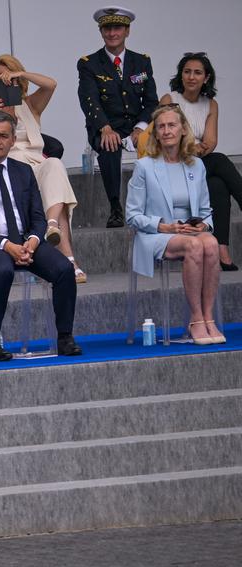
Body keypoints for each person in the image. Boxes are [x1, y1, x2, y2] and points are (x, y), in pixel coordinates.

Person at [0, 110, 81, 362]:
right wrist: (6, 245)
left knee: (64, 269)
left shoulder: (24, 171)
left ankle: (65, 337)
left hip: (26, 242)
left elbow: (37, 216)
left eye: (3, 136)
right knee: (2, 269)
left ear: (13, 140)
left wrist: (33, 240)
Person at [0, 55, 86, 283]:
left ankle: (52, 228)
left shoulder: (30, 105)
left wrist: (21, 75)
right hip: (10, 174)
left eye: (8, 77)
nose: (4, 81)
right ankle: (68, 258)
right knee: (55, 193)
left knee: (55, 164)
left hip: (38, 168)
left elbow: (51, 84)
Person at [126, 104, 223, 345]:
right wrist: (165, 227)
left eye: (172, 125)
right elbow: (132, 216)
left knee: (210, 243)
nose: (167, 130)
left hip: (189, 232)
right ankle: (196, 318)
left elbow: (205, 211)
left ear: (182, 130)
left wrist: (203, 226)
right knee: (194, 247)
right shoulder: (144, 167)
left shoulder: (196, 165)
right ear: (156, 134)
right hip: (155, 234)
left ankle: (209, 317)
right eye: (161, 127)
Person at [160, 53, 242, 271]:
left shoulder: (211, 104)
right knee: (221, 161)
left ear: (206, 78)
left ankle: (221, 249)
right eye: (187, 72)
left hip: (200, 163)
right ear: (181, 75)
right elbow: (165, 138)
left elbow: (210, 142)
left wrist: (194, 147)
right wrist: (189, 147)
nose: (191, 77)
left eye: (197, 73)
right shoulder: (170, 100)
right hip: (175, 164)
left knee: (218, 185)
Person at [77, 6, 157, 228]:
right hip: (105, 126)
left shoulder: (142, 62)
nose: (112, 33)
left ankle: (156, 206)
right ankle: (115, 208)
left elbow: (151, 101)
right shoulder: (89, 63)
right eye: (107, 28)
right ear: (101, 32)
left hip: (135, 126)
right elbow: (88, 99)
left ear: (127, 31)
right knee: (110, 146)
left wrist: (141, 127)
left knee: (158, 144)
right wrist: (104, 127)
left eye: (117, 28)